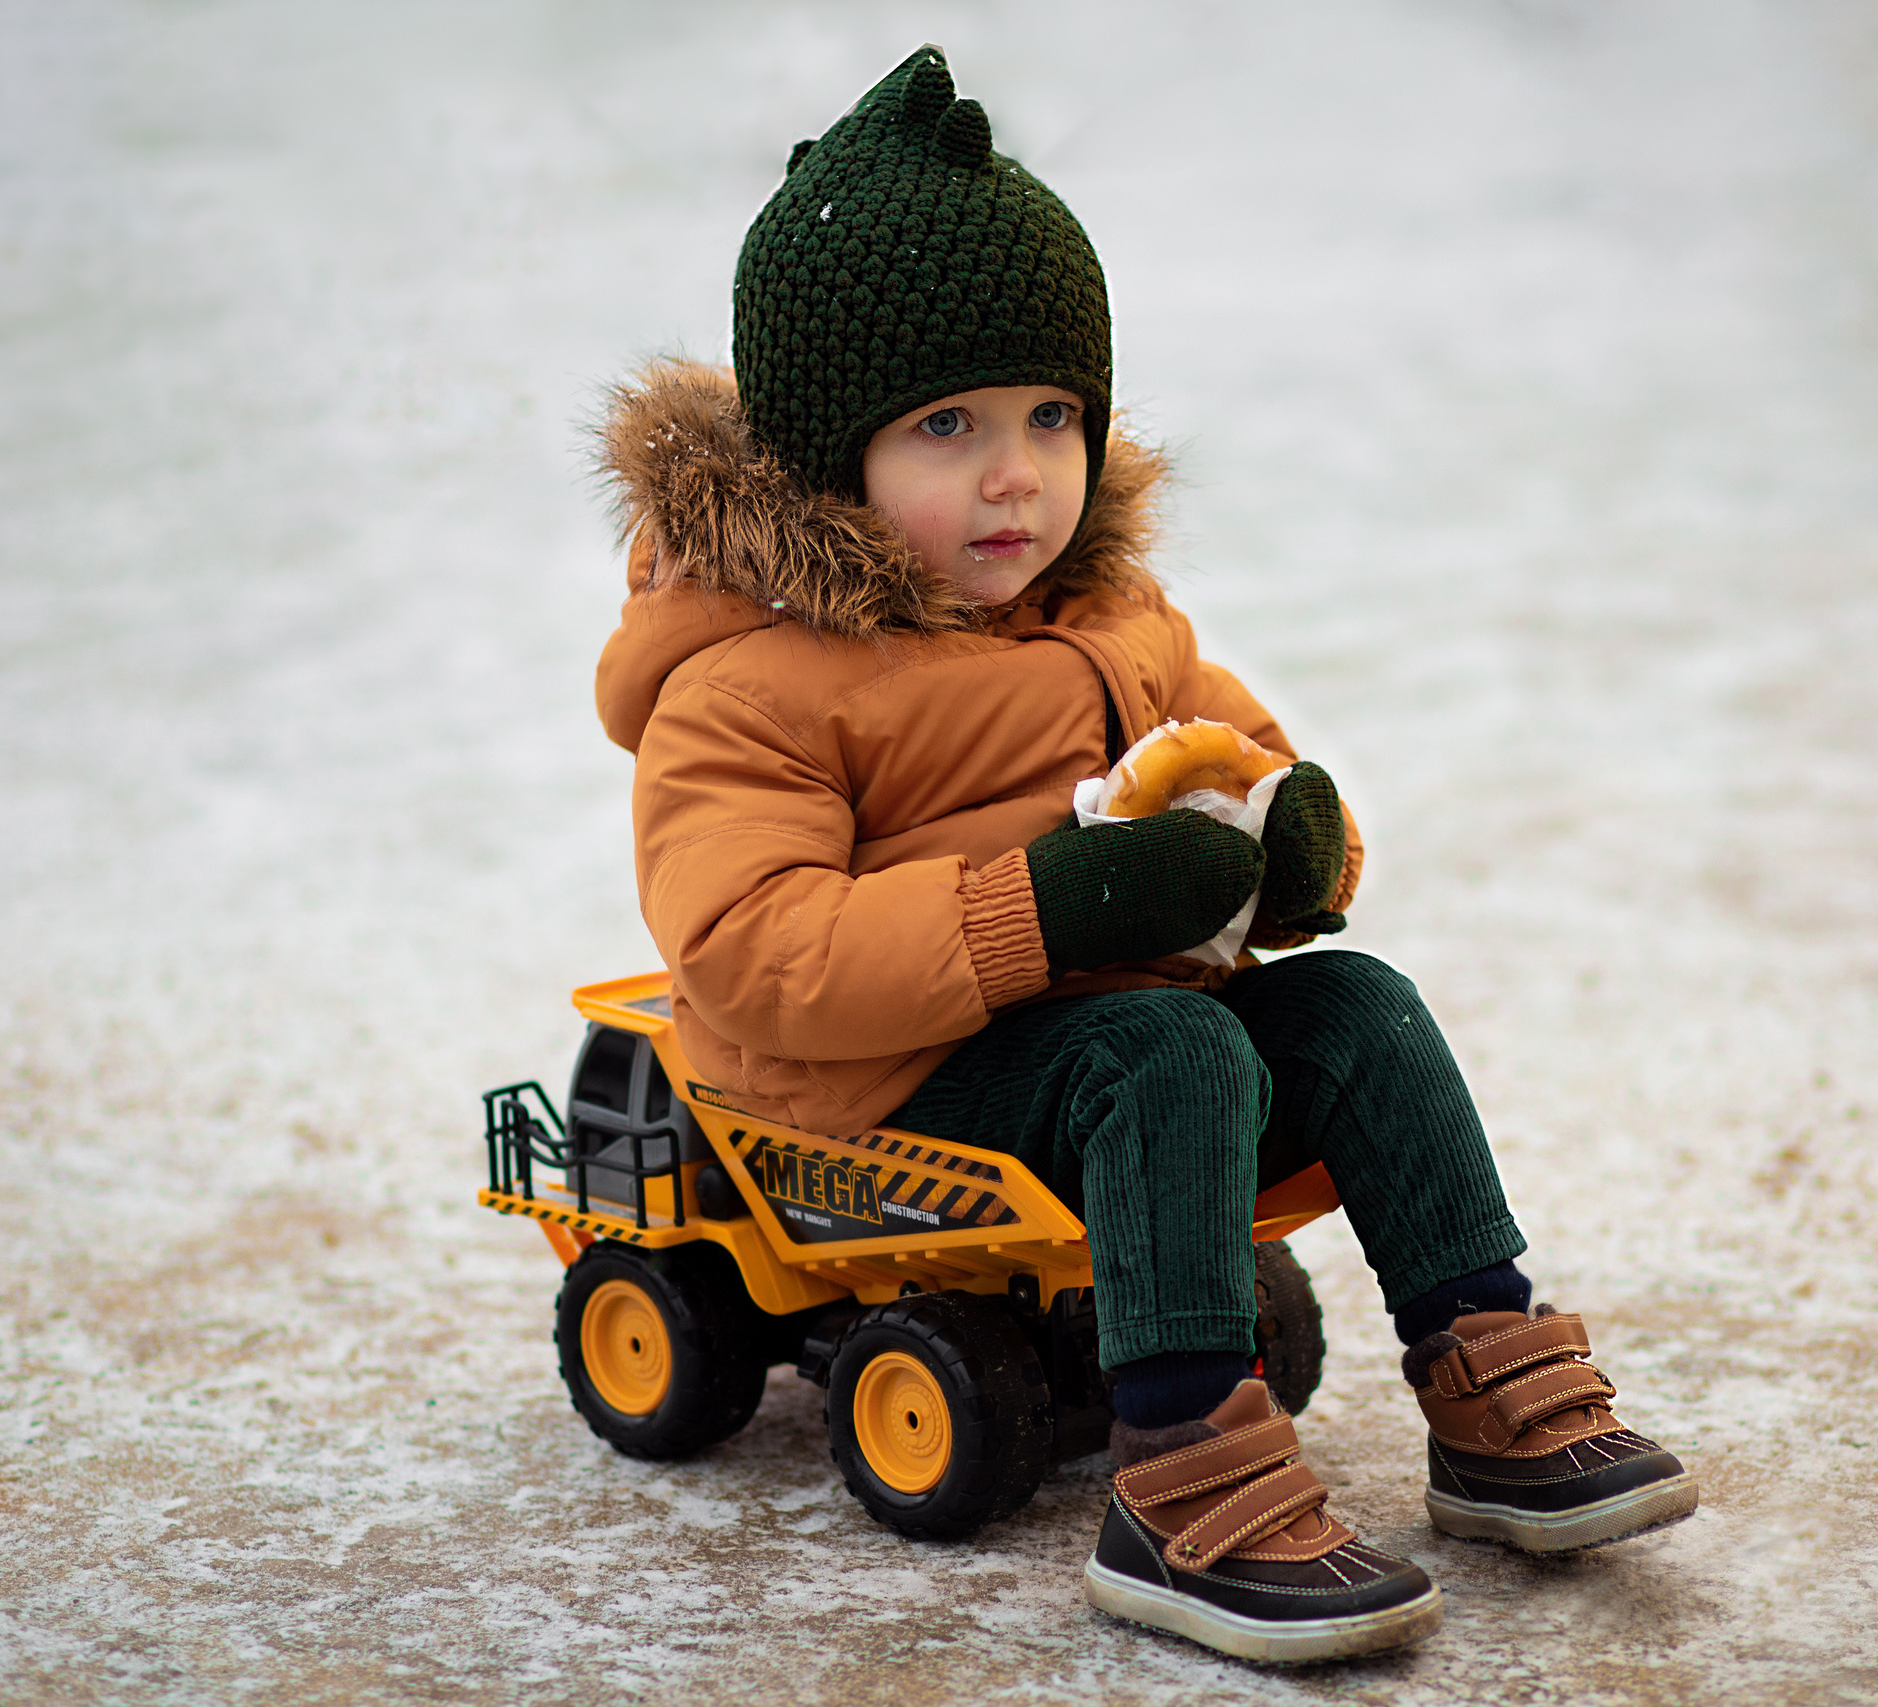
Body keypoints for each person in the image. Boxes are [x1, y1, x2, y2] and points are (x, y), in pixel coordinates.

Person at [593, 46, 1696, 1664]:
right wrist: (1053, 902)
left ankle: (1487, 1363)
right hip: (882, 1082)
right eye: (947, 425)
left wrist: (1290, 846)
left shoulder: (1116, 618)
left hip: (1098, 1029)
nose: (1015, 473)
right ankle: (1175, 1477)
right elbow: (759, 956)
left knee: (1355, 1007)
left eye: (1051, 415)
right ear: (827, 454)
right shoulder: (746, 690)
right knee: (1164, 1045)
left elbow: (1241, 759)